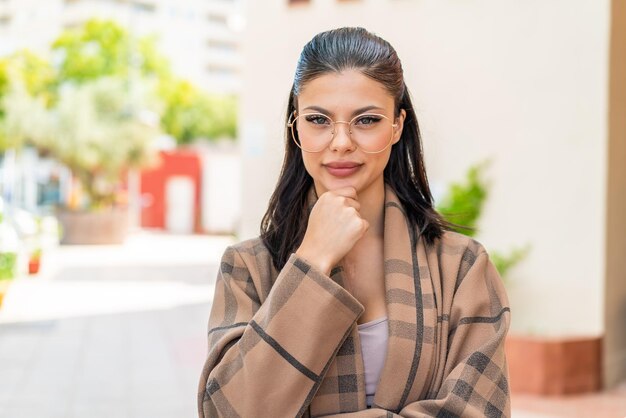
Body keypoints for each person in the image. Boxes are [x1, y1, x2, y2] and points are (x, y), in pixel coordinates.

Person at [198, 27, 511, 418]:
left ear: (397, 126)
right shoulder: (247, 267)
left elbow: (480, 411)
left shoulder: (462, 267)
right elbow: (229, 411)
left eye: (366, 120)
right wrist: (311, 261)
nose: (341, 141)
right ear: (295, 126)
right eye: (318, 119)